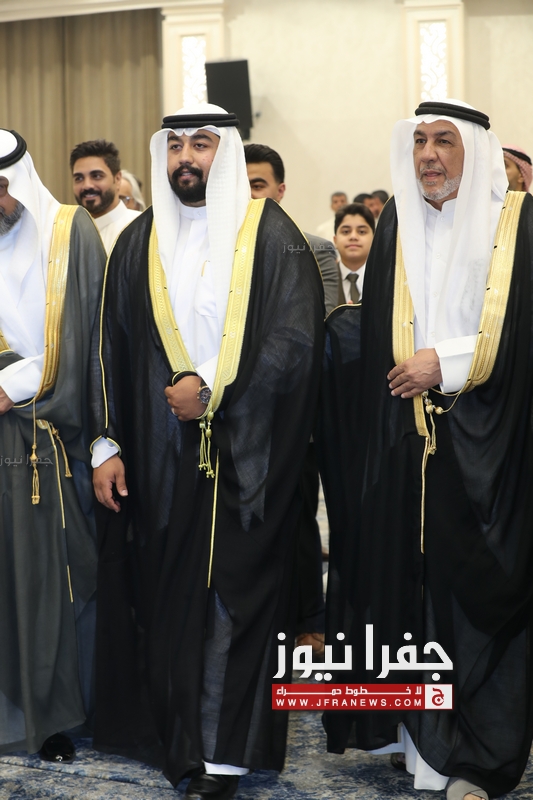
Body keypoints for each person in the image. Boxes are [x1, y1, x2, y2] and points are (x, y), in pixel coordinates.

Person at [90, 104, 324, 799]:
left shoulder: (271, 235)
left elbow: (293, 343)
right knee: (168, 599)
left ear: (225, 152)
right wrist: (107, 444)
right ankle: (180, 739)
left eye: (200, 144)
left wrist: (216, 395)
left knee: (232, 600)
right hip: (156, 460)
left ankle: (223, 755)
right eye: (175, 146)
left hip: (247, 456)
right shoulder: (138, 241)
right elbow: (110, 348)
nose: (186, 158)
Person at [319, 100, 533, 800]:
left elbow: (522, 330)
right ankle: (422, 744)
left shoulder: (519, 224)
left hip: (493, 444)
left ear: (475, 150)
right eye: (418, 142)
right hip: (408, 443)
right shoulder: (396, 228)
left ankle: (480, 758)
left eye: (443, 141)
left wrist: (445, 361)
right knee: (413, 587)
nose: (428, 155)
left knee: (481, 595)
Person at [0, 129, 106, 762]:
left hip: (46, 441)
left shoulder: (70, 233)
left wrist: (11, 386)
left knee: (48, 585)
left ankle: (54, 714)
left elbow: (88, 341)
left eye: (2, 187)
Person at [244, 143, 338, 315]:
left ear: (280, 191)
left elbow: (321, 320)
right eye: (240, 187)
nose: (247, 195)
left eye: (257, 187)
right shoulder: (213, 250)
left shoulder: (315, 251)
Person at [70, 139, 140, 254]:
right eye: (79, 178)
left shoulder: (141, 229)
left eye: (96, 176)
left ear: (117, 179)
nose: (87, 186)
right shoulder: (67, 234)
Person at [333, 201, 375, 307]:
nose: (353, 237)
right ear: (335, 240)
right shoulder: (322, 280)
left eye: (361, 232)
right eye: (346, 232)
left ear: (374, 240)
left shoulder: (385, 279)